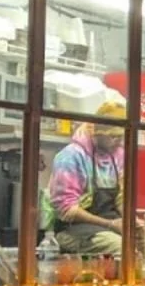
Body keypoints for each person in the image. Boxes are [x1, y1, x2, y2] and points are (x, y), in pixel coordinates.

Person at [46, 98, 128, 256]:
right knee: (122, 248)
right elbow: (67, 210)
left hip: (109, 225)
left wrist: (132, 222)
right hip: (73, 230)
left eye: (121, 137)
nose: (118, 142)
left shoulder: (118, 155)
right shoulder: (70, 157)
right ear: (98, 133)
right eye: (114, 137)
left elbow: (120, 199)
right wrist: (110, 224)